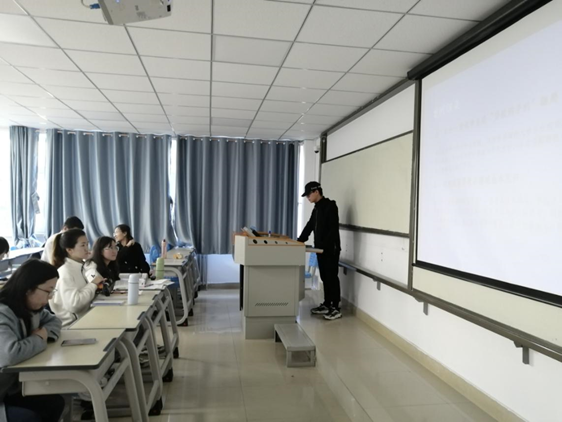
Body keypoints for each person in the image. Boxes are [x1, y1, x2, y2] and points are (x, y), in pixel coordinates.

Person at [0, 259, 65, 422]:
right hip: (4, 390)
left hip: (9, 388)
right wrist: (38, 338)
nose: (49, 298)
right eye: (48, 291)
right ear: (28, 289)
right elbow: (10, 354)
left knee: (55, 403)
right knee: (29, 418)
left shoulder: (30, 308)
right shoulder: (3, 312)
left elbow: (55, 321)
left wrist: (44, 333)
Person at [298, 181, 342, 320]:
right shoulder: (316, 209)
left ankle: (335, 307)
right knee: (324, 277)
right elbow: (310, 225)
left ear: (316, 192)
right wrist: (300, 240)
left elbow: (332, 230)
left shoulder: (330, 206)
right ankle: (327, 304)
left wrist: (325, 246)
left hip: (330, 249)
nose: (307, 198)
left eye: (309, 194)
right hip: (320, 250)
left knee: (331, 277)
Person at [49, 229, 103, 327]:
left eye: (87, 244)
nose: (87, 249)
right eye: (82, 245)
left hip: (86, 318)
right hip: (73, 325)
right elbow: (74, 305)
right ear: (69, 250)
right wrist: (93, 284)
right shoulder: (65, 271)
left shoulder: (81, 266)